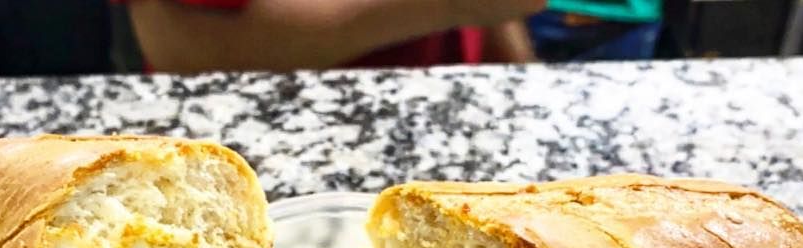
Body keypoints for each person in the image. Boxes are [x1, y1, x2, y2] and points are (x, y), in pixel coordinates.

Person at [117, 0, 546, 71]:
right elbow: (180, 44)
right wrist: (453, 5)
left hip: (444, 108)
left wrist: (520, 76)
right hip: (255, 140)